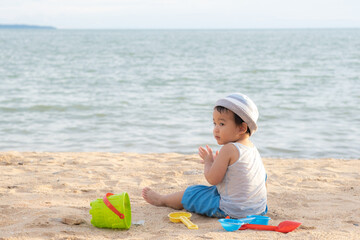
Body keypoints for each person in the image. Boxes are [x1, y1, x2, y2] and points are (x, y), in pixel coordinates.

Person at [142, 93, 267, 218]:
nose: (216, 129)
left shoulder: (228, 149)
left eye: (222, 124)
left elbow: (212, 179)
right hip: (258, 209)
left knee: (194, 192)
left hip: (232, 210)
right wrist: (218, 163)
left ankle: (162, 200)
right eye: (214, 123)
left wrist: (208, 162)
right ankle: (255, 204)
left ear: (242, 128)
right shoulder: (252, 148)